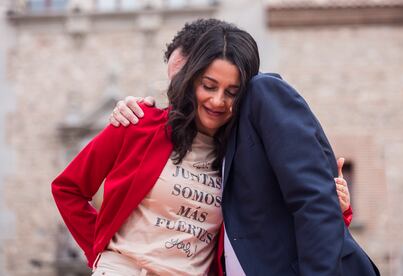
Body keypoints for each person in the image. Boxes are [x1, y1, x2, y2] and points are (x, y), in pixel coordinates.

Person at [107, 19, 379, 275]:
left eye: (185, 80)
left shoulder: (264, 94)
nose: (177, 96)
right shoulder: (210, 140)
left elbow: (314, 200)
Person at [52, 23, 260, 276]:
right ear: (192, 80)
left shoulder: (240, 154)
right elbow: (68, 188)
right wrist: (101, 252)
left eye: (231, 92)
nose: (218, 100)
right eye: (208, 85)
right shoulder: (138, 123)